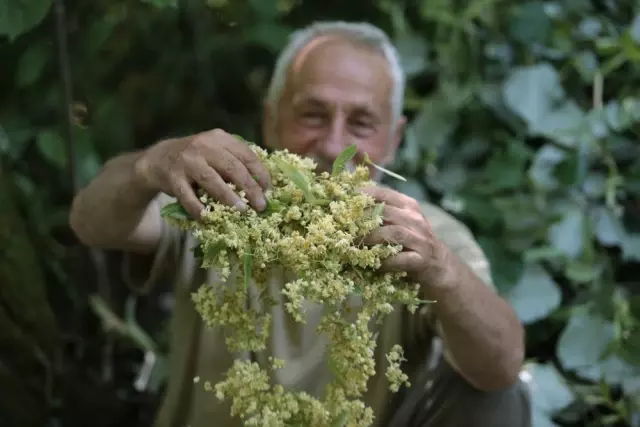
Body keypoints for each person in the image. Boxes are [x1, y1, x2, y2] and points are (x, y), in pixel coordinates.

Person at [70, 21, 531, 427]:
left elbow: (502, 365)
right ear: (271, 120)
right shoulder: (223, 197)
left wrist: (442, 273)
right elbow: (93, 223)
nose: (332, 145)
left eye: (361, 123)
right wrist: (149, 166)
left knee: (502, 398)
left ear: (394, 139)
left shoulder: (422, 233)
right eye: (312, 114)